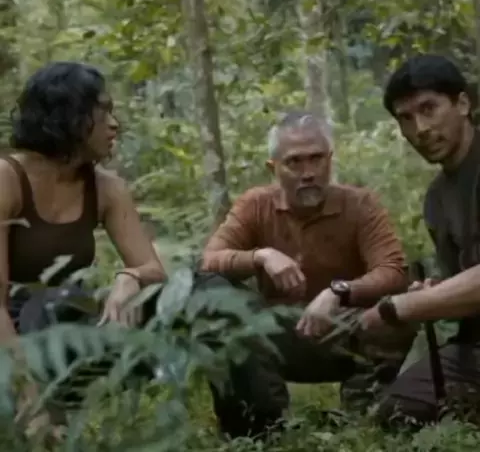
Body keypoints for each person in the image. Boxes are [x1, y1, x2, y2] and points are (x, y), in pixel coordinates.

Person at [200, 110, 417, 440]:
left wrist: (338, 291)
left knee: (401, 312)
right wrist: (261, 256)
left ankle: (369, 408)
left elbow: (392, 271)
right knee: (210, 293)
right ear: (273, 168)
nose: (308, 173)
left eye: (316, 159)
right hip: (277, 334)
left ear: (330, 159)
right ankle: (256, 425)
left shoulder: (360, 204)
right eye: (294, 162)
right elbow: (209, 261)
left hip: (345, 329)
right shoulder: (256, 205)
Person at [0, 62, 167, 441]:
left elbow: (153, 270)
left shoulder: (107, 188)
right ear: (69, 116)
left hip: (63, 320)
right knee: (44, 306)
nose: (115, 124)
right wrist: (30, 402)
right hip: (10, 330)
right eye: (103, 112)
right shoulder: (7, 179)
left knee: (174, 294)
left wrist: (130, 277)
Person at [359, 53, 480, 427]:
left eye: (429, 109)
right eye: (406, 118)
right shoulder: (437, 198)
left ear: (463, 104)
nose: (421, 129)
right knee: (397, 413)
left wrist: (404, 306)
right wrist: (435, 292)